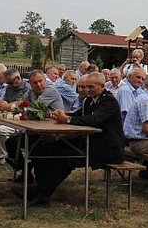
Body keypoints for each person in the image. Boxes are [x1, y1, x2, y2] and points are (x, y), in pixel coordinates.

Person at [16, 72, 125, 207]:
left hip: (108, 149)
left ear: (102, 86)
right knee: (48, 146)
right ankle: (39, 186)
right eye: (85, 87)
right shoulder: (90, 100)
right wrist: (62, 114)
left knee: (67, 157)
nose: (87, 90)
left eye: (91, 87)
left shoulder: (109, 101)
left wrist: (67, 119)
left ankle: (41, 194)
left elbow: (93, 120)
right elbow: (79, 115)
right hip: (91, 143)